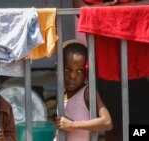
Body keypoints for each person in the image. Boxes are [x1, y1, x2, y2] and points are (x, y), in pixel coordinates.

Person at [73, 0, 149, 141]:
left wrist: (115, 10)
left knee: (140, 129)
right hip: (105, 63)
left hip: (139, 64)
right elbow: (78, 6)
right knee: (114, 129)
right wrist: (102, 9)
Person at [54, 40, 112, 141]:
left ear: (87, 72)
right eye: (67, 69)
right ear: (57, 69)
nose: (72, 76)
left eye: (80, 70)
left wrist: (74, 125)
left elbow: (107, 123)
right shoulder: (62, 93)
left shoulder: (87, 92)